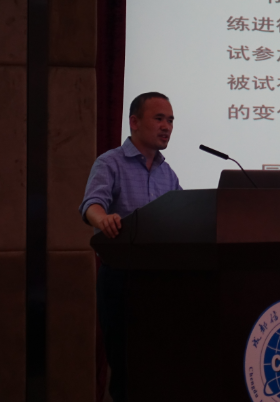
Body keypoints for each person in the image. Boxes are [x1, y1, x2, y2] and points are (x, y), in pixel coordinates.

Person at [79, 92, 182, 402]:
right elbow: (91, 204)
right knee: (126, 373)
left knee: (158, 369)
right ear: (134, 122)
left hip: (160, 282)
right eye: (159, 118)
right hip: (121, 280)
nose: (166, 126)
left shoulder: (168, 174)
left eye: (170, 120)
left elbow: (184, 216)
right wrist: (103, 219)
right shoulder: (110, 162)